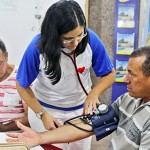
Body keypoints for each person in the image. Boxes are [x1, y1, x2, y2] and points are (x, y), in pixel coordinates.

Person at [6, 46, 150, 150]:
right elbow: (90, 124)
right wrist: (40, 137)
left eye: (132, 74)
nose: (126, 79)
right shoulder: (127, 100)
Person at [15, 0, 115, 149]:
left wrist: (94, 93)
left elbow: (109, 74)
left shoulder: (90, 39)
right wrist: (42, 114)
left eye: (79, 35)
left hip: (80, 111)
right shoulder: (38, 47)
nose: (75, 43)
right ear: (54, 34)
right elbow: (21, 85)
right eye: (68, 38)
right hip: (47, 110)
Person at [0, 39, 29, 132]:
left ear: (6, 56)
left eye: (0, 63)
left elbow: (32, 118)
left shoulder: (21, 77)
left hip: (14, 135)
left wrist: (5, 127)